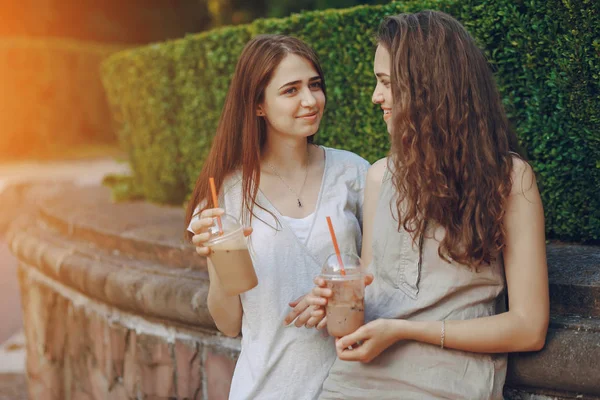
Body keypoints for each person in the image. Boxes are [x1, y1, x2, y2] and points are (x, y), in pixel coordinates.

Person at [298, 11, 549, 399]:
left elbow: (529, 327)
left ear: (427, 86)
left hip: (449, 386)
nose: (375, 96)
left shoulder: (510, 179)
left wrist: (404, 330)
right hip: (353, 383)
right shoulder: (380, 176)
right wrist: (335, 302)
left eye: (385, 82)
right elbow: (369, 290)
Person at [185, 34, 370, 400]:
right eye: (290, 90)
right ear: (258, 105)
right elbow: (228, 323)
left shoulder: (355, 173)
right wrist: (217, 261)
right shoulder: (226, 196)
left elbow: (384, 282)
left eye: (314, 85)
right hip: (266, 388)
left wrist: (343, 294)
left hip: (352, 386)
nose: (310, 100)